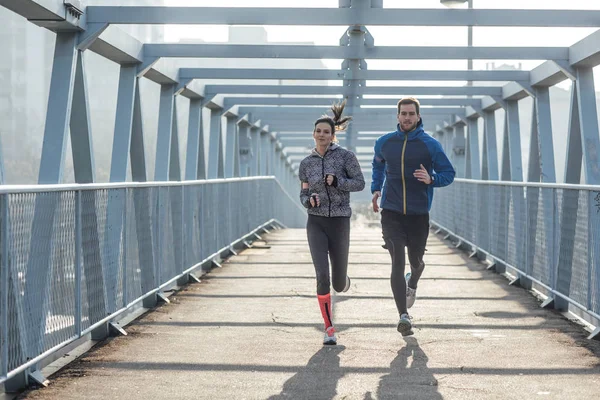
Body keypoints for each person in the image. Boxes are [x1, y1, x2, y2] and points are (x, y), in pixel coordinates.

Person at [371, 97, 455, 336]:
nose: (407, 118)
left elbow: (449, 173)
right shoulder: (385, 143)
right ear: (397, 116)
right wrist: (376, 189)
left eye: (411, 114)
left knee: (416, 262)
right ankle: (403, 316)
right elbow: (377, 165)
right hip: (392, 211)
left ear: (418, 117)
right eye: (403, 114)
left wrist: (432, 179)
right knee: (397, 260)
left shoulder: (431, 145)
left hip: (419, 214)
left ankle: (413, 281)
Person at [299, 100, 365, 345]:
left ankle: (343, 280)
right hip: (315, 222)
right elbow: (303, 193)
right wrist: (309, 201)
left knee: (337, 281)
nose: (322, 135)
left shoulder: (346, 157)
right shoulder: (306, 163)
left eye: (326, 132)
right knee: (322, 275)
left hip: (339, 222)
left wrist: (338, 181)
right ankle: (328, 328)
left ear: (333, 134)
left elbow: (359, 183)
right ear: (314, 134)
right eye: (318, 131)